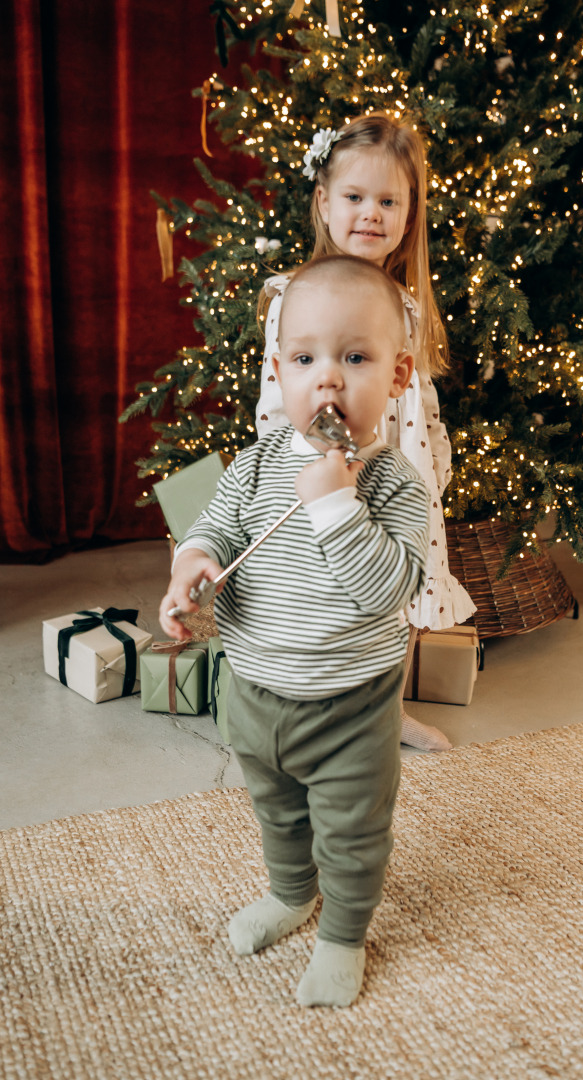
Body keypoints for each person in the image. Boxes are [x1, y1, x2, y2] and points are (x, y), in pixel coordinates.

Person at [159, 255, 430, 1007]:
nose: (329, 380)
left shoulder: (398, 487)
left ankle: (342, 935)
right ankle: (288, 893)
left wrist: (336, 504)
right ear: (278, 372)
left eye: (355, 357)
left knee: (350, 834)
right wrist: (191, 569)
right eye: (307, 358)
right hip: (253, 693)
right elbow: (212, 527)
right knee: (276, 812)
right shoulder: (253, 465)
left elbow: (387, 592)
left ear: (398, 376)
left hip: (349, 706)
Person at [255, 112, 475, 752]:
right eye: (354, 197)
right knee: (329, 589)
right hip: (324, 472)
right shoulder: (293, 296)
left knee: (395, 586)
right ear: (324, 202)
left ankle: (386, 712)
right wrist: (298, 468)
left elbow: (418, 398)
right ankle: (311, 710)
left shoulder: (403, 305)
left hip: (394, 464)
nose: (370, 213)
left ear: (409, 215)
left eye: (388, 201)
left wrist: (432, 460)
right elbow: (277, 400)